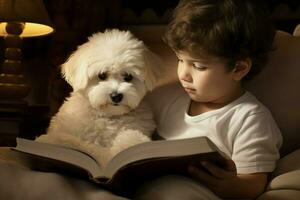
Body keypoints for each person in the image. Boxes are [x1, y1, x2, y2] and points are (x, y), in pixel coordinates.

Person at [133, 0, 282, 199]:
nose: (183, 74)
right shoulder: (169, 97)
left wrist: (233, 185)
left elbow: (254, 183)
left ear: (238, 69)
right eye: (180, 60)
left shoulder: (249, 118)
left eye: (199, 66)